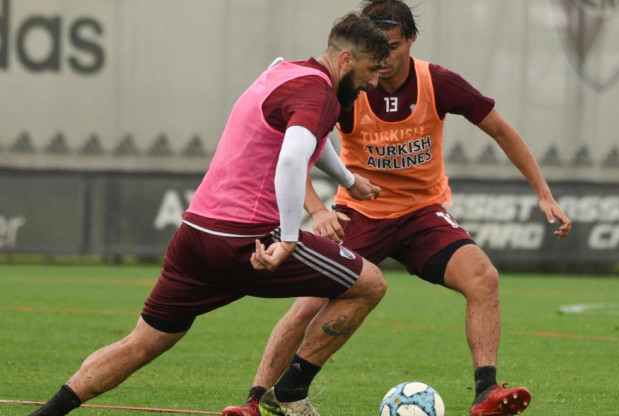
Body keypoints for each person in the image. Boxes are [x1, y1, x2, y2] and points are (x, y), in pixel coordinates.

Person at [29, 12, 391, 416]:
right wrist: (289, 237)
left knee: (141, 343)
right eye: (372, 70)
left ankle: (46, 413)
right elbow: (291, 158)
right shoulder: (320, 95)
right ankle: (287, 394)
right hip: (246, 238)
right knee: (370, 284)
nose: (374, 82)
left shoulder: (282, 72)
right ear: (345, 60)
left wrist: (346, 177)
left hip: (194, 235)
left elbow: (309, 138)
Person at [222, 1, 573, 416]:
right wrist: (318, 209)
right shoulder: (347, 87)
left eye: (390, 46)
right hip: (361, 213)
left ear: (410, 39)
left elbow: (500, 129)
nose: (383, 59)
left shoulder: (437, 82)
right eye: (375, 49)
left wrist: (544, 192)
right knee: (310, 301)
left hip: (423, 214)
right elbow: (296, 152)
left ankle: (486, 395)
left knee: (483, 277)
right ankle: (256, 400)